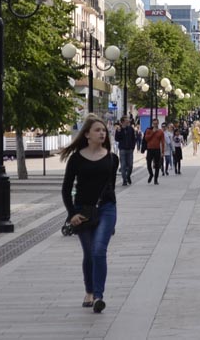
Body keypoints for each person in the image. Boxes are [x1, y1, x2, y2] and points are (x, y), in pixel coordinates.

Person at [59, 116, 119, 314]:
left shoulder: (112, 158)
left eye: (103, 130)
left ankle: (98, 296)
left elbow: (110, 186)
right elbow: (66, 190)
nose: (102, 133)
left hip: (107, 208)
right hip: (82, 210)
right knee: (89, 253)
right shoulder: (76, 159)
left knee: (99, 250)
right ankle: (89, 291)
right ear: (86, 134)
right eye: (97, 130)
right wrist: (72, 214)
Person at [114, 119, 136, 186]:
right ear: (123, 122)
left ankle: (128, 176)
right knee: (123, 166)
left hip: (130, 149)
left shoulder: (130, 129)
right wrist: (119, 132)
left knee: (130, 165)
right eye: (126, 121)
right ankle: (124, 180)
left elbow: (133, 138)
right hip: (122, 149)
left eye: (128, 121)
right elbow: (117, 139)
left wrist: (133, 147)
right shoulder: (119, 129)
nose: (128, 122)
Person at [143, 120, 164, 185]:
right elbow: (146, 139)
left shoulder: (160, 131)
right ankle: (151, 174)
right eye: (154, 123)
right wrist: (152, 132)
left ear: (158, 123)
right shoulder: (148, 130)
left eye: (156, 123)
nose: (155, 124)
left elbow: (162, 142)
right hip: (150, 149)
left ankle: (156, 179)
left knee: (157, 165)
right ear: (152, 124)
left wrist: (162, 152)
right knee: (148, 164)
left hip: (157, 149)